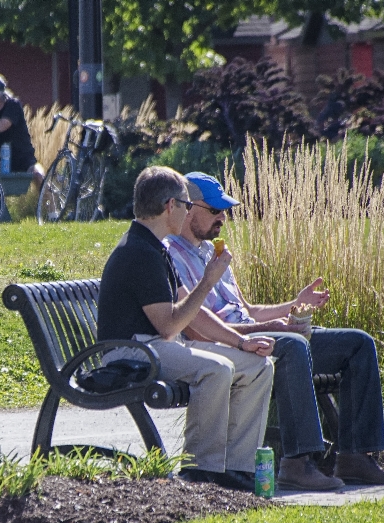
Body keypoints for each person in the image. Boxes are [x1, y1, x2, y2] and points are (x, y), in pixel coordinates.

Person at [165, 172, 384, 489]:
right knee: (293, 346)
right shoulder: (169, 254)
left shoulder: (212, 251)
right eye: (214, 210)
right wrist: (272, 327)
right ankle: (296, 463)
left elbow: (248, 309)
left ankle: (355, 458)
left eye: (224, 210)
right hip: (228, 344)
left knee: (357, 344)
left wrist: (292, 305)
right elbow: (197, 325)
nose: (222, 218)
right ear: (187, 208)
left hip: (258, 333)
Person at [97, 166, 276, 491]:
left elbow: (190, 314)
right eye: (185, 203)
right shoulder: (139, 252)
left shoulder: (156, 248)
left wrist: (240, 343)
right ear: (170, 206)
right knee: (216, 369)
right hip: (132, 351)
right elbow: (169, 326)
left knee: (258, 366)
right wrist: (208, 281)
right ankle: (200, 472)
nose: (188, 210)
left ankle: (237, 470)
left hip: (155, 346)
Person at [0, 73, 45, 221]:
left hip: (23, 160)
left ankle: (52, 213)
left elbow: (2, 126)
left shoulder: (13, 105)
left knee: (39, 175)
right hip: (0, 161)